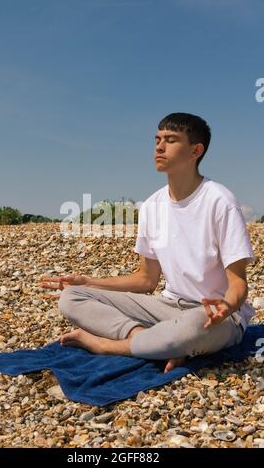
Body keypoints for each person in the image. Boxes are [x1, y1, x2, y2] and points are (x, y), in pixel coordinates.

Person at [40, 112, 256, 373]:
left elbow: (238, 284)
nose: (159, 147)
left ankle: (107, 345)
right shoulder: (152, 206)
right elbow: (146, 280)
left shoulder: (220, 201)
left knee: (190, 330)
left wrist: (226, 306)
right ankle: (148, 341)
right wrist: (88, 282)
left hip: (214, 316)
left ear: (195, 150)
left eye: (171, 140)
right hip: (167, 307)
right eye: (157, 139)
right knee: (71, 297)